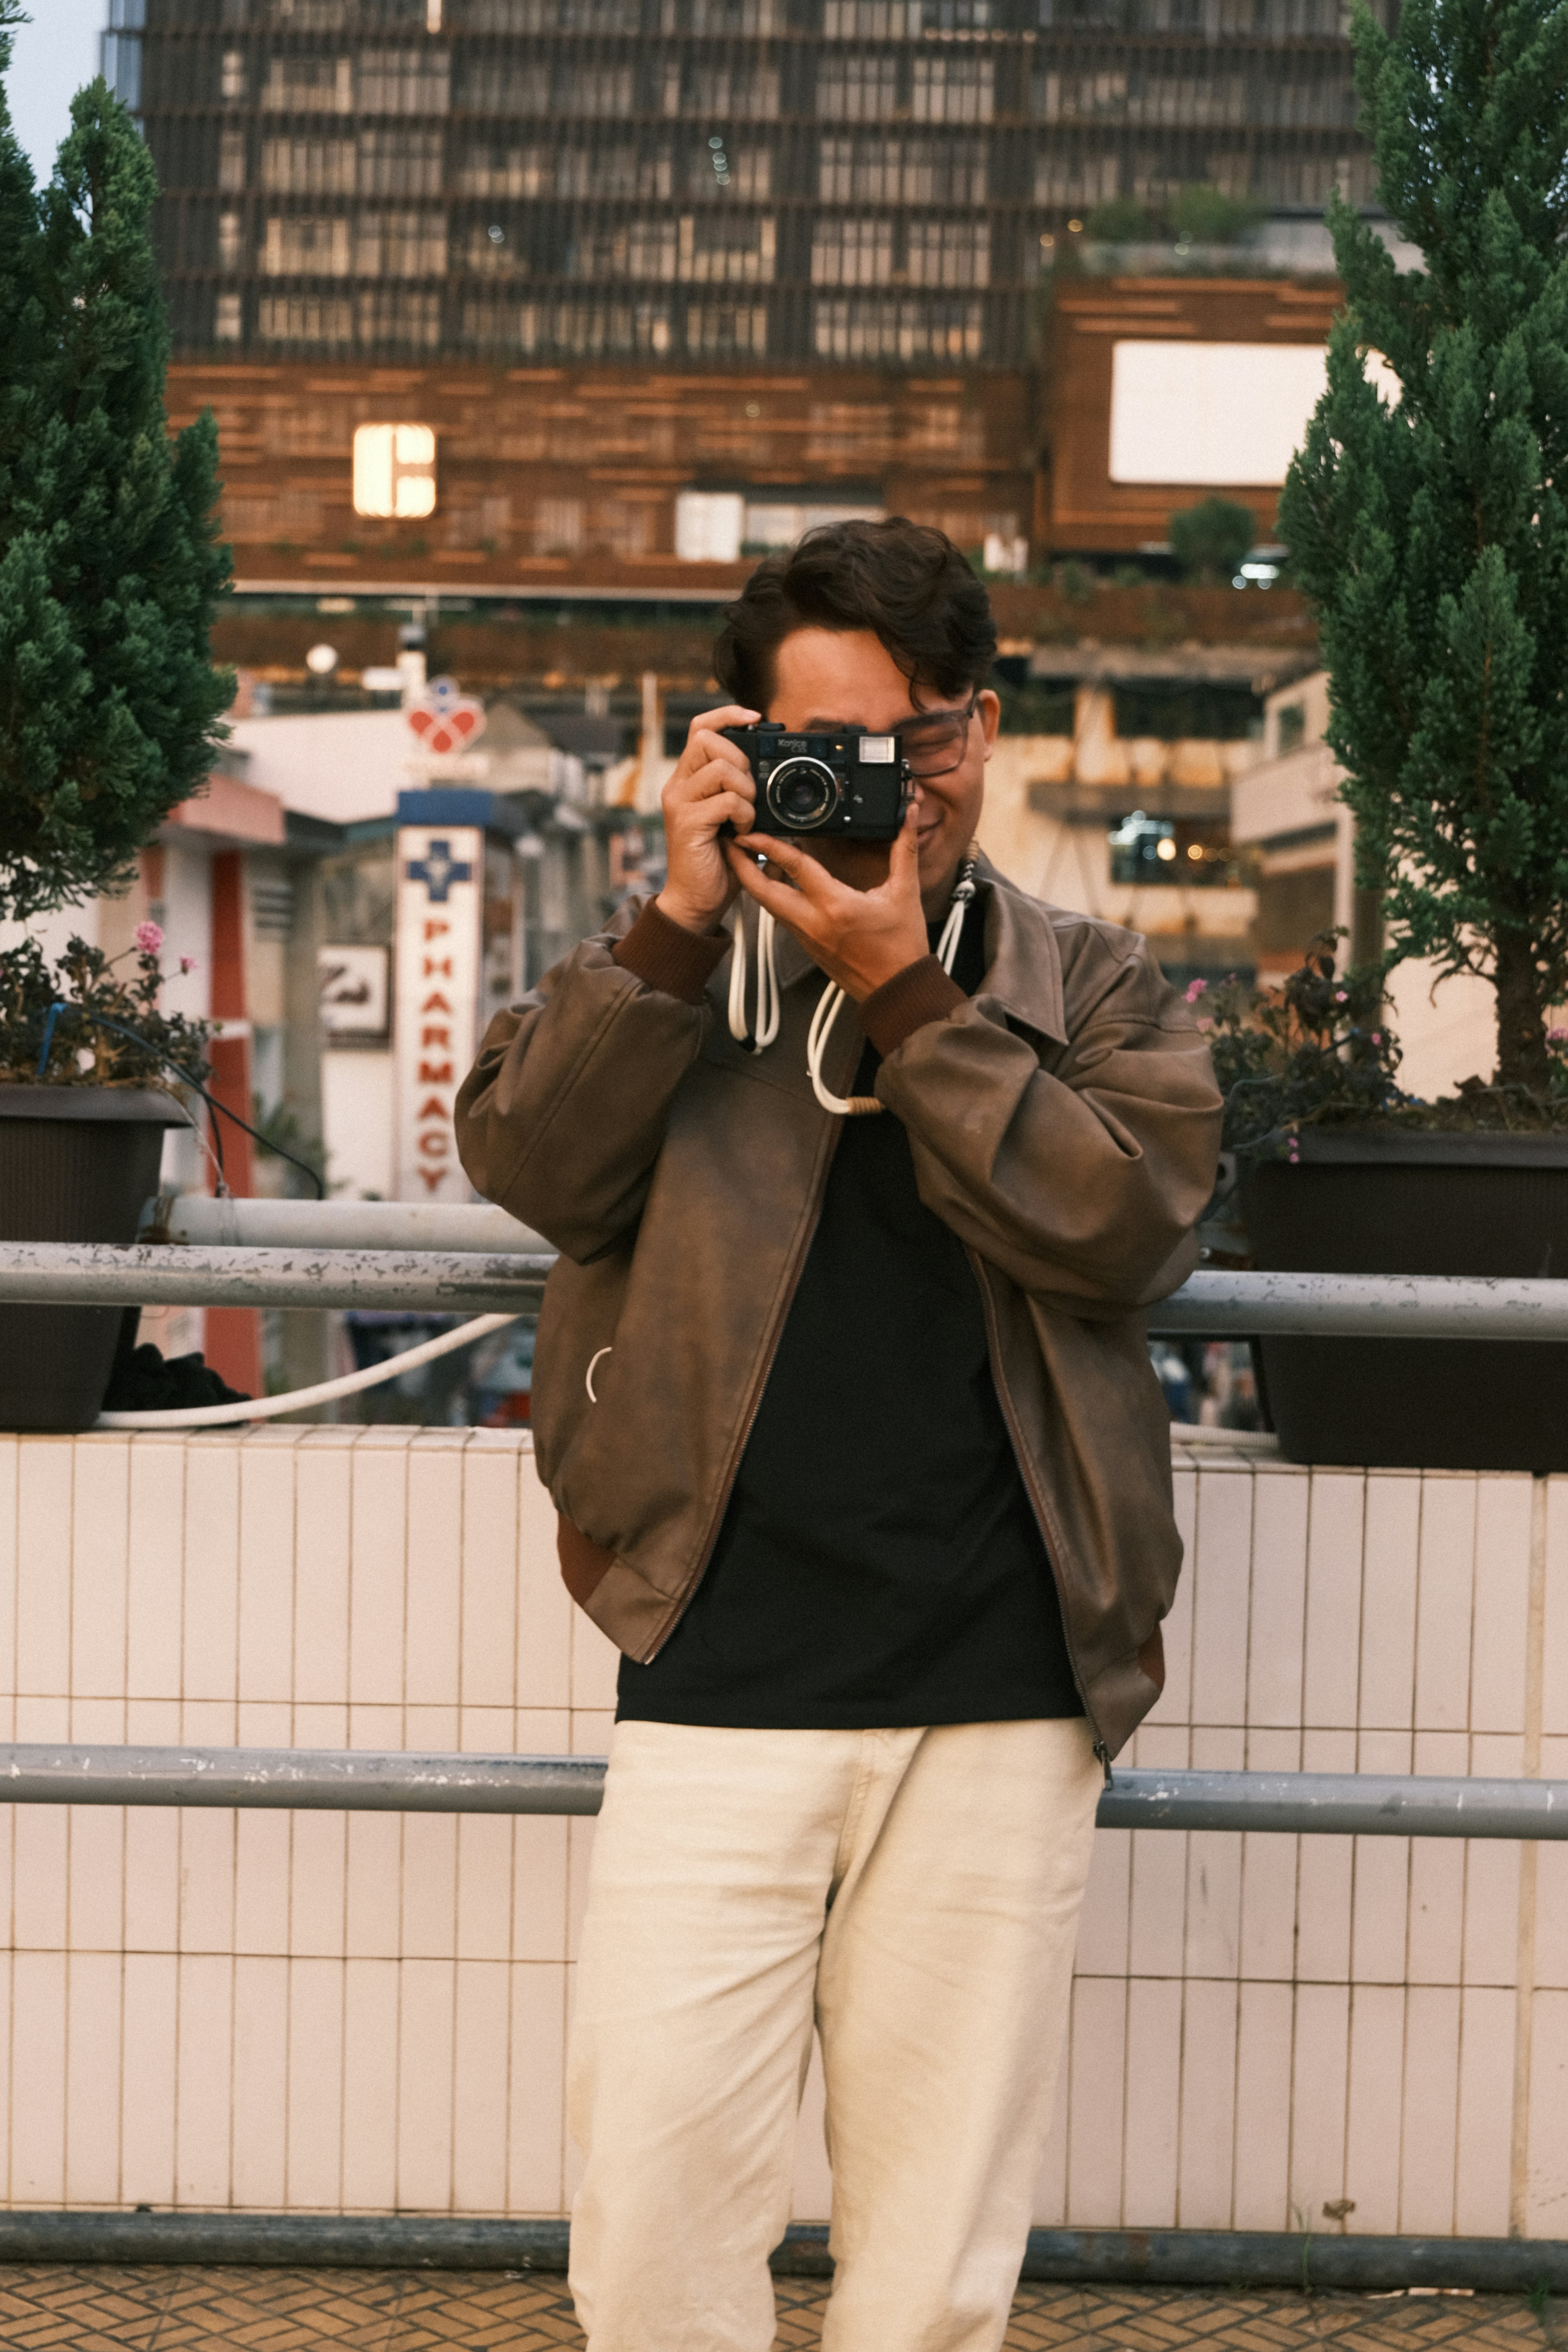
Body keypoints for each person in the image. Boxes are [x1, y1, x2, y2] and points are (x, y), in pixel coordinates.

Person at [455, 519, 1222, 2352]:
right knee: (651, 2227)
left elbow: (1125, 1231)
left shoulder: (1087, 985)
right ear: (741, 748)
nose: (886, 784)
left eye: (917, 738)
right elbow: (530, 1167)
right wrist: (671, 920)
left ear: (979, 728)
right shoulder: (679, 970)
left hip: (1000, 1682)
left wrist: (906, 994)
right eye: (827, 746)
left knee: (929, 2270)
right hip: (716, 1661)